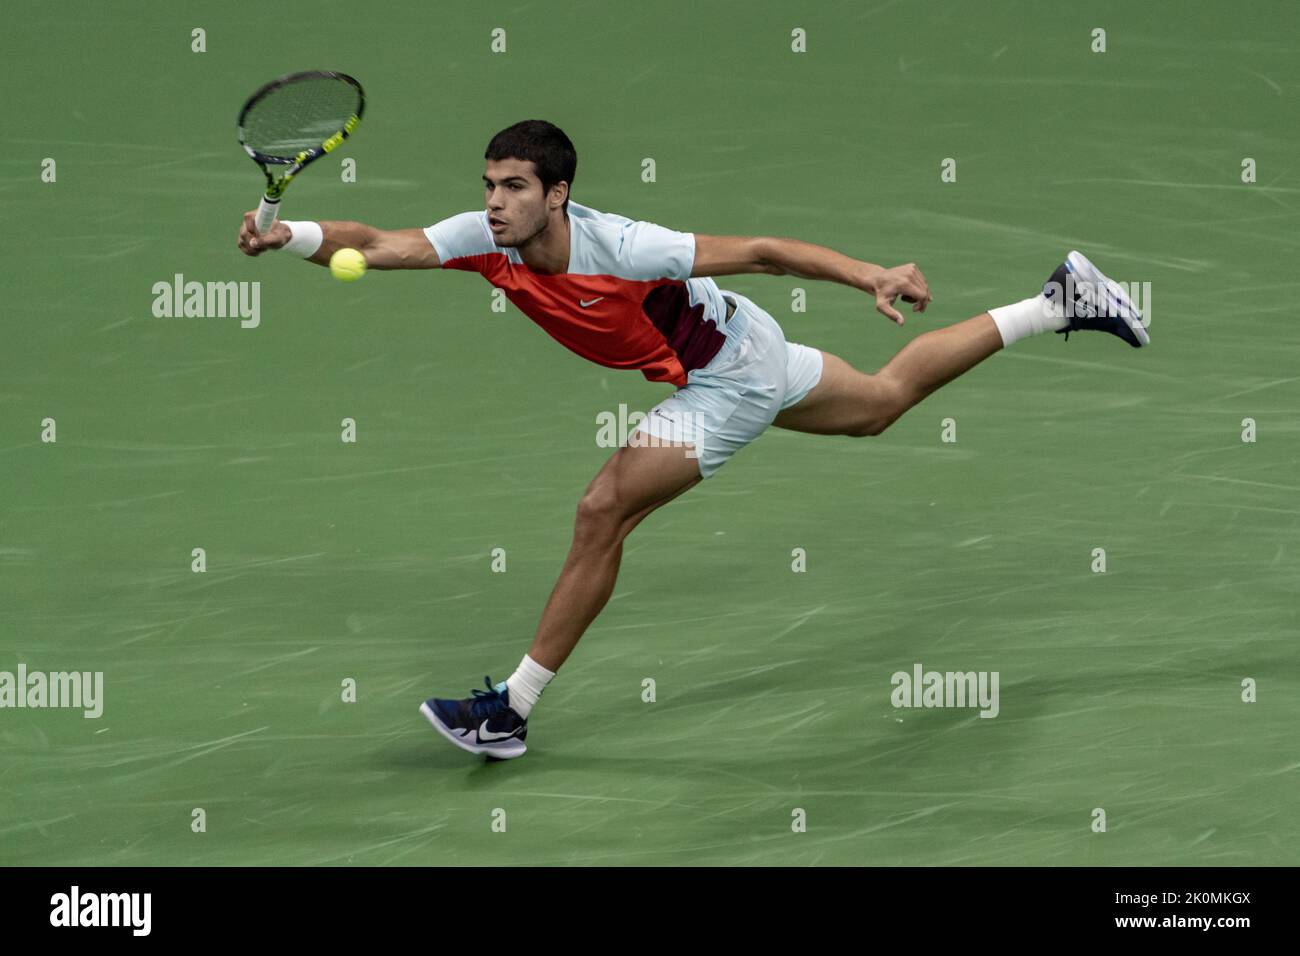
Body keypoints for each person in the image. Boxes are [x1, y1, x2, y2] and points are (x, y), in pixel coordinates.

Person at [237, 119, 1148, 760]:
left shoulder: (625, 248)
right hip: (739, 347)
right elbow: (382, 244)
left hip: (727, 375)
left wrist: (865, 271)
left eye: (515, 187)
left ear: (559, 195)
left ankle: (508, 712)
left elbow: (759, 250)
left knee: (603, 510)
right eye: (489, 185)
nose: (496, 201)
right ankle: (1058, 301)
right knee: (880, 402)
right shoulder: (487, 239)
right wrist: (290, 239)